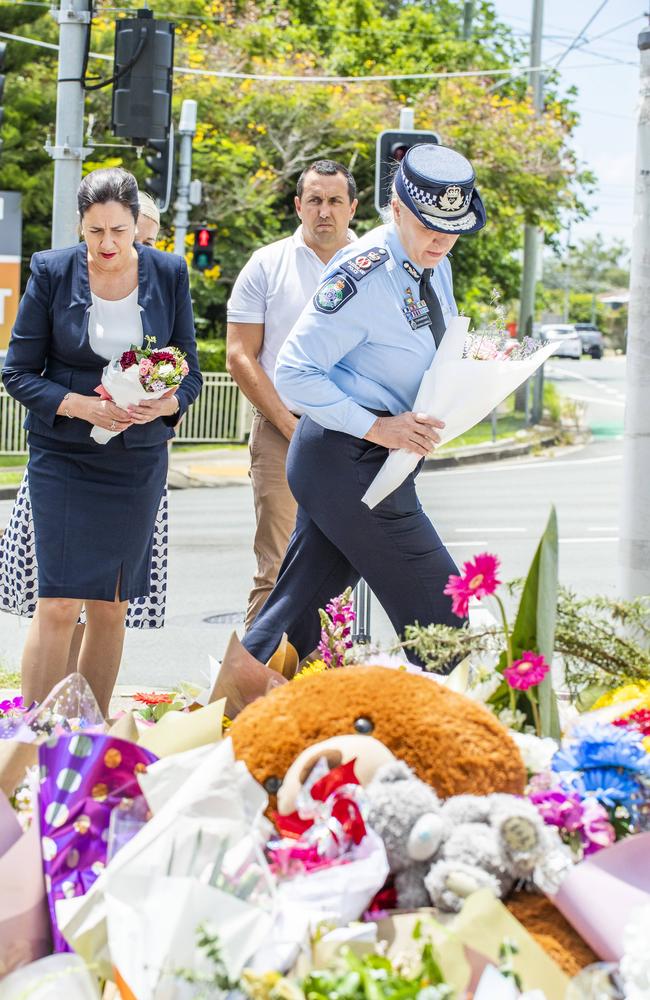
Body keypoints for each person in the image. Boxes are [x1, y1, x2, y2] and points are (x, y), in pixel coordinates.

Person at [213, 143, 486, 715]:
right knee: (447, 617)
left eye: (452, 229)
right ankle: (477, 729)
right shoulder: (362, 273)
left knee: (296, 610)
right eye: (429, 226)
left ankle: (221, 727)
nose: (441, 239)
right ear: (395, 209)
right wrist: (378, 427)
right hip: (346, 459)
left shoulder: (436, 264)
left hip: (375, 463)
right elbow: (294, 371)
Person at [1, 167, 202, 714]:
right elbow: (17, 372)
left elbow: (191, 370)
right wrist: (82, 405)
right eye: (95, 231)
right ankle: (36, 737)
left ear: (137, 223)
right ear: (80, 227)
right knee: (59, 601)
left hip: (135, 464)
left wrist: (168, 403)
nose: (108, 244)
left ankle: (85, 735)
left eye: (118, 229)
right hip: (62, 455)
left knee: (111, 606)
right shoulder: (50, 271)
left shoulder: (169, 272)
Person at [226, 159, 357, 630]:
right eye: (316, 200)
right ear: (299, 206)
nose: (325, 211)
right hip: (282, 430)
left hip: (357, 436)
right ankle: (257, 694)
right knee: (276, 569)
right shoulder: (266, 264)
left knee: (342, 571)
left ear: (352, 208)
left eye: (335, 201)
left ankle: (328, 688)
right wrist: (286, 423)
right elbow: (240, 355)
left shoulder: (379, 264)